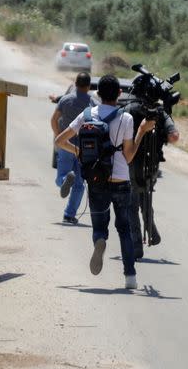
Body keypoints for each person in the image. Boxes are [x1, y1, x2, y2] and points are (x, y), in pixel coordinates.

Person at [55, 75, 156, 289]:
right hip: (120, 180)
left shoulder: (87, 114)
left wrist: (79, 152)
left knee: (100, 226)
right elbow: (128, 156)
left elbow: (59, 140)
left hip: (95, 180)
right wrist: (141, 132)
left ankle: (100, 240)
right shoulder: (126, 118)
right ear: (119, 94)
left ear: (98, 94)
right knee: (124, 228)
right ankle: (130, 277)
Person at [121, 92, 180, 259]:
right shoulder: (161, 113)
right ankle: (152, 232)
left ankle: (136, 244)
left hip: (131, 163)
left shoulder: (128, 109)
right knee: (145, 198)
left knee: (132, 205)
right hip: (151, 167)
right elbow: (174, 135)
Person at [50, 72, 95, 224]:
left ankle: (64, 180)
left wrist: (59, 137)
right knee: (80, 184)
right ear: (89, 86)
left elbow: (54, 119)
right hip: (83, 149)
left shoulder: (65, 99)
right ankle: (69, 215)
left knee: (61, 176)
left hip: (66, 144)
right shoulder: (92, 104)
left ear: (75, 83)